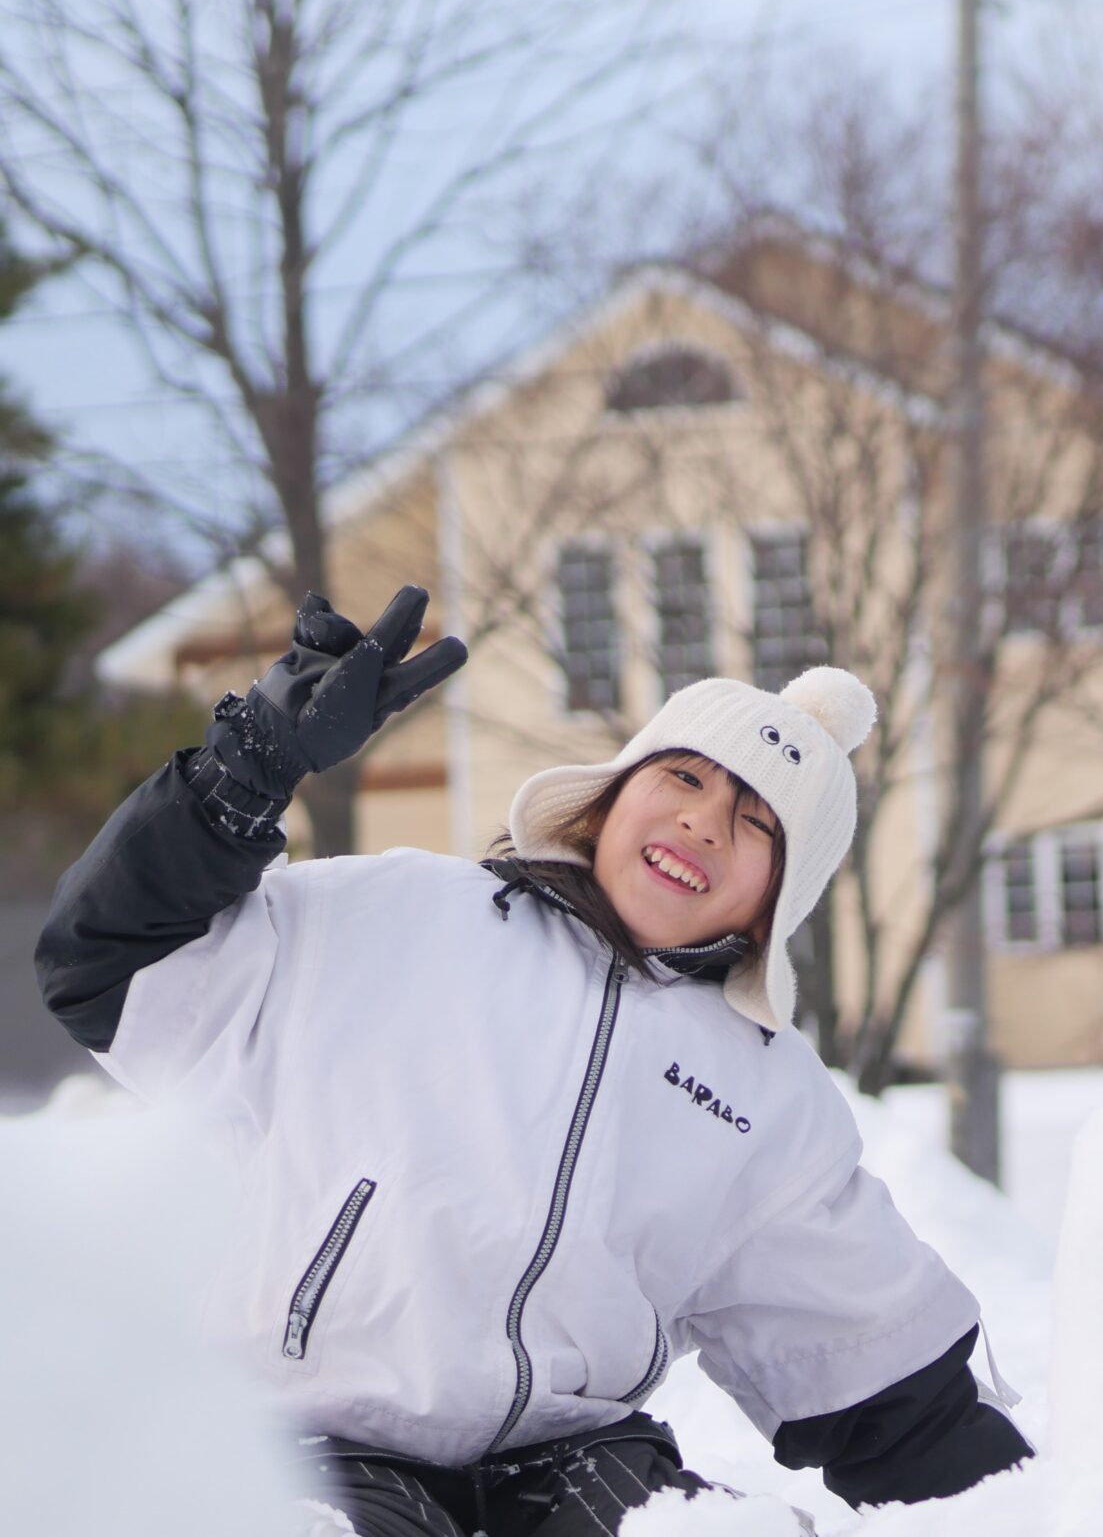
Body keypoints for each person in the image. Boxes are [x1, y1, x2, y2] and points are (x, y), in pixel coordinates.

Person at [36, 588, 1030, 1535]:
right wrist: (244, 771)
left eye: (758, 820)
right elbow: (110, 958)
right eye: (685, 778)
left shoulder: (766, 1093)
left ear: (783, 891)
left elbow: (876, 1369)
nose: (703, 823)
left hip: (572, 1462)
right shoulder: (393, 916)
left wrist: (1047, 1509)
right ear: (611, 795)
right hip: (316, 1434)